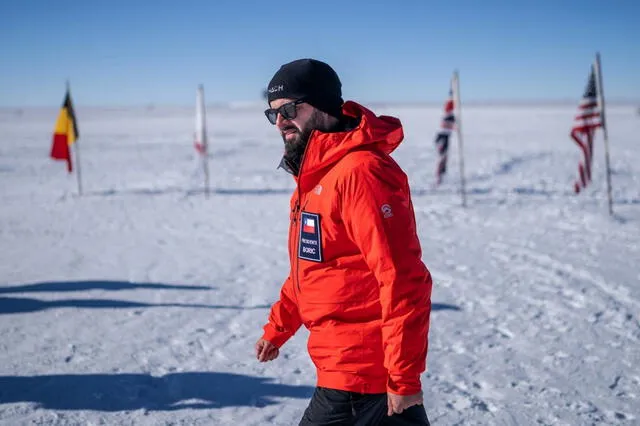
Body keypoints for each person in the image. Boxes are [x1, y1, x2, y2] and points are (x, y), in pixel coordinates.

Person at [255, 58, 433, 426]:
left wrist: (402, 376)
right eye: (273, 115)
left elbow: (401, 278)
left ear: (322, 105)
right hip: (344, 372)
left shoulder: (360, 173)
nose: (282, 122)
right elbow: (314, 267)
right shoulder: (318, 175)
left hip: (365, 378)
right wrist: (279, 326)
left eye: (290, 109)